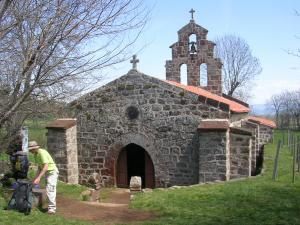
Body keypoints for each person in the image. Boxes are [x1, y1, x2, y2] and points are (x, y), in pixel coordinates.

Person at [28, 141, 59, 214]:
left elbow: (45, 166)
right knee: (49, 189)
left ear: (35, 148)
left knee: (50, 189)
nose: (30, 151)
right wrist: (36, 177)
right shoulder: (36, 154)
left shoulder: (42, 153)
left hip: (52, 172)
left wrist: (39, 178)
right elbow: (39, 167)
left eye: (31, 149)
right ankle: (50, 206)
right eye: (30, 149)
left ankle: (52, 209)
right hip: (47, 172)